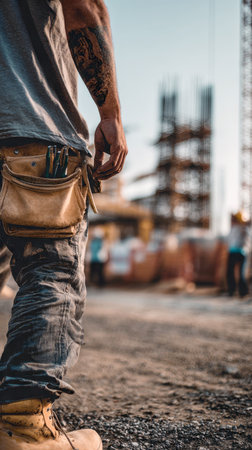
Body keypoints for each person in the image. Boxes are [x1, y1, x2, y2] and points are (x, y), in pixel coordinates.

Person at [0, 1, 127, 449]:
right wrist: (109, 112)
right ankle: (24, 428)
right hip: (30, 130)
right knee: (51, 273)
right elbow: (81, 7)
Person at [226, 212, 250, 298]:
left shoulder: (243, 228)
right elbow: (229, 240)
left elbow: (247, 239)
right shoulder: (233, 229)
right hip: (232, 252)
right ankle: (231, 291)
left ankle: (243, 292)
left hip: (241, 252)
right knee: (230, 272)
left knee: (241, 273)